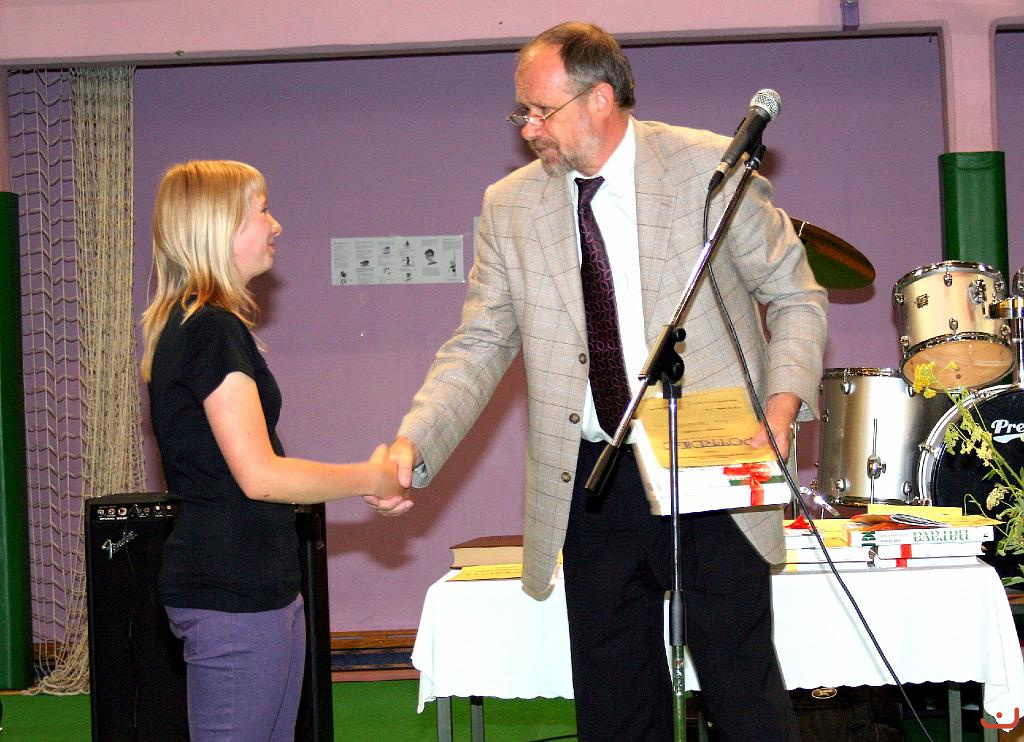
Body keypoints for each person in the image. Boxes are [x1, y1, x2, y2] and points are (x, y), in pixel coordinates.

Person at [386, 22, 827, 741]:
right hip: (593, 475)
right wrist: (416, 441)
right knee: (614, 704)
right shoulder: (511, 206)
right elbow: (481, 341)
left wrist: (780, 409)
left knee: (742, 689)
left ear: (599, 99)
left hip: (711, 455)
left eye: (541, 110)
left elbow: (796, 295)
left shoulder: (708, 169)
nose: (528, 128)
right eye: (522, 112)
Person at [140, 160, 409, 741]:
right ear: (220, 228)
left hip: (259, 588)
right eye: (262, 211)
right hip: (232, 595)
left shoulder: (209, 326)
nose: (276, 225)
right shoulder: (209, 329)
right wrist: (372, 477)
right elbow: (261, 476)